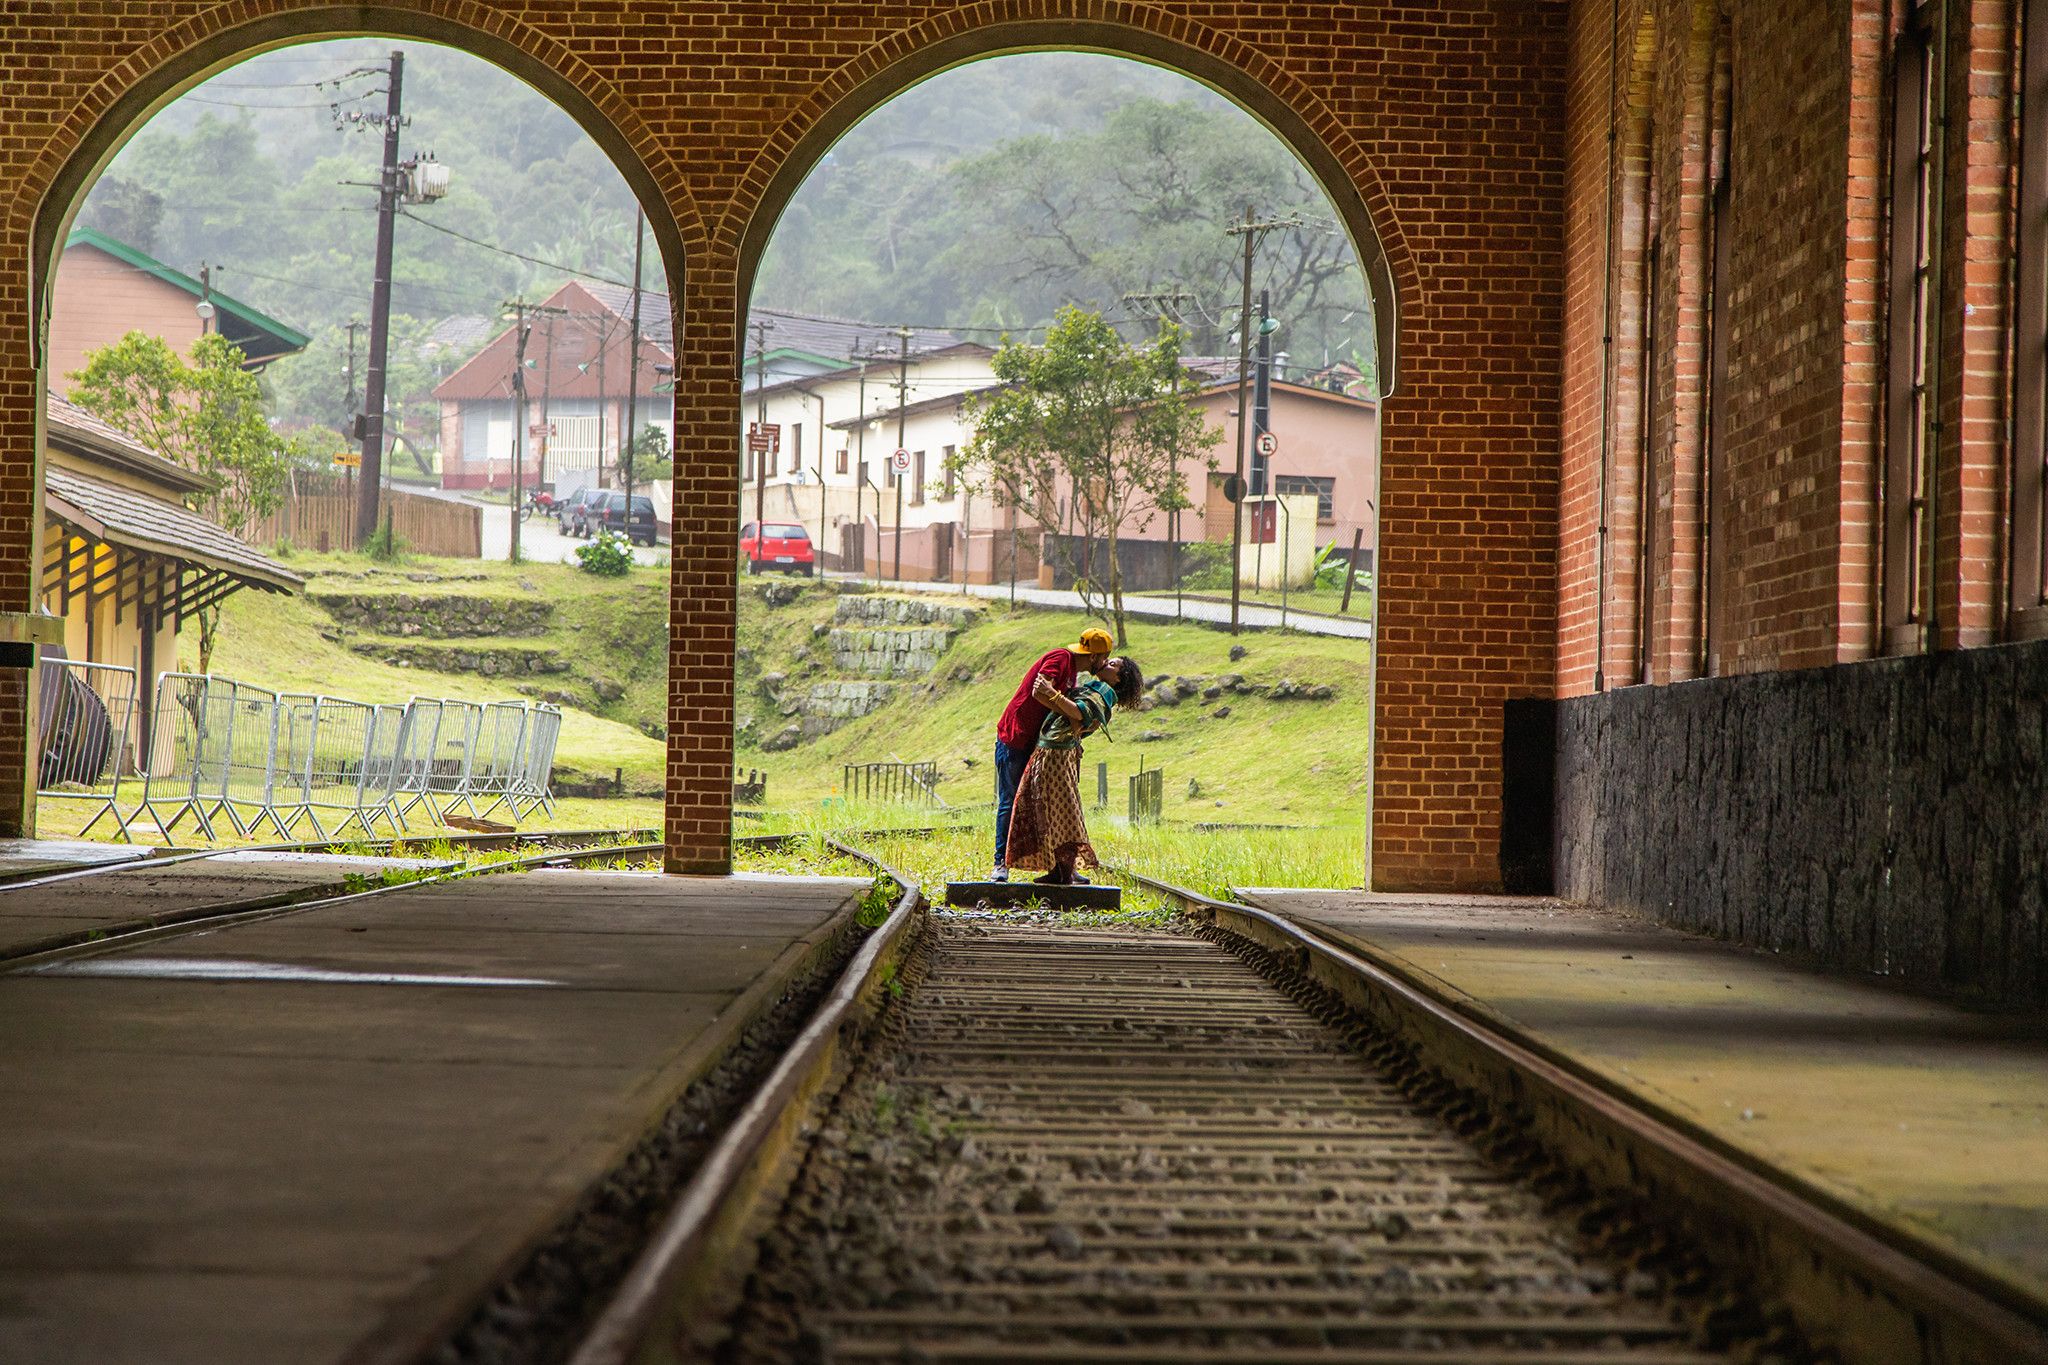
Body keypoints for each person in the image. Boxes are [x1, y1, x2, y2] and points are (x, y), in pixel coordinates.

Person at [1004, 655, 1144, 885]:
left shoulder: (1105, 692)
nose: (1105, 663)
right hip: (1055, 749)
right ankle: (1060, 869)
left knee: (1060, 808)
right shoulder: (1097, 688)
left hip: (1056, 753)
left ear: (1119, 678)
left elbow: (1080, 712)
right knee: (1055, 808)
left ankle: (1064, 872)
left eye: (1112, 665)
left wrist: (1051, 693)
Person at [991, 627, 1113, 881]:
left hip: (1036, 743)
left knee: (1046, 806)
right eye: (1104, 657)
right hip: (1015, 737)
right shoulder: (1060, 659)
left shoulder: (1073, 674)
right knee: (1009, 801)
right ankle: (1000, 864)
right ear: (1093, 657)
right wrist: (1068, 710)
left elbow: (1051, 698)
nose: (1104, 663)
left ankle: (1061, 869)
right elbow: (1039, 691)